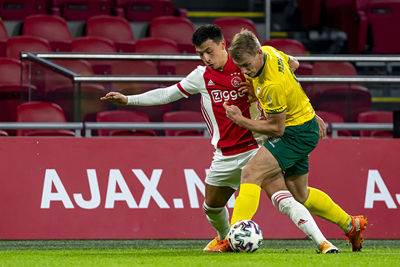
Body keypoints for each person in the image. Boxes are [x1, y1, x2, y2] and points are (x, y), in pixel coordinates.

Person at [101, 25, 339, 254]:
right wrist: (128, 100)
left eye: (209, 51)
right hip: (224, 154)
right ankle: (226, 237)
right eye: (200, 54)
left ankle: (323, 243)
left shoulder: (246, 61)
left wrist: (308, 113)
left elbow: (286, 76)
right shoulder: (201, 75)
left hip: (257, 146)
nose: (205, 57)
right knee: (211, 206)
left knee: (283, 197)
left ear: (223, 45)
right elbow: (167, 93)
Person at [223, 29, 367, 252]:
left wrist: (240, 119)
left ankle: (233, 238)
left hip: (294, 133)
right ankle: (350, 224)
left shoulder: (272, 85)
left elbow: (276, 128)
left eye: (246, 65)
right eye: (240, 66)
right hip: (304, 123)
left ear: (258, 53)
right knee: (300, 193)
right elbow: (295, 65)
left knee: (251, 172)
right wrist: (303, 106)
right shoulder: (271, 53)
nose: (244, 71)